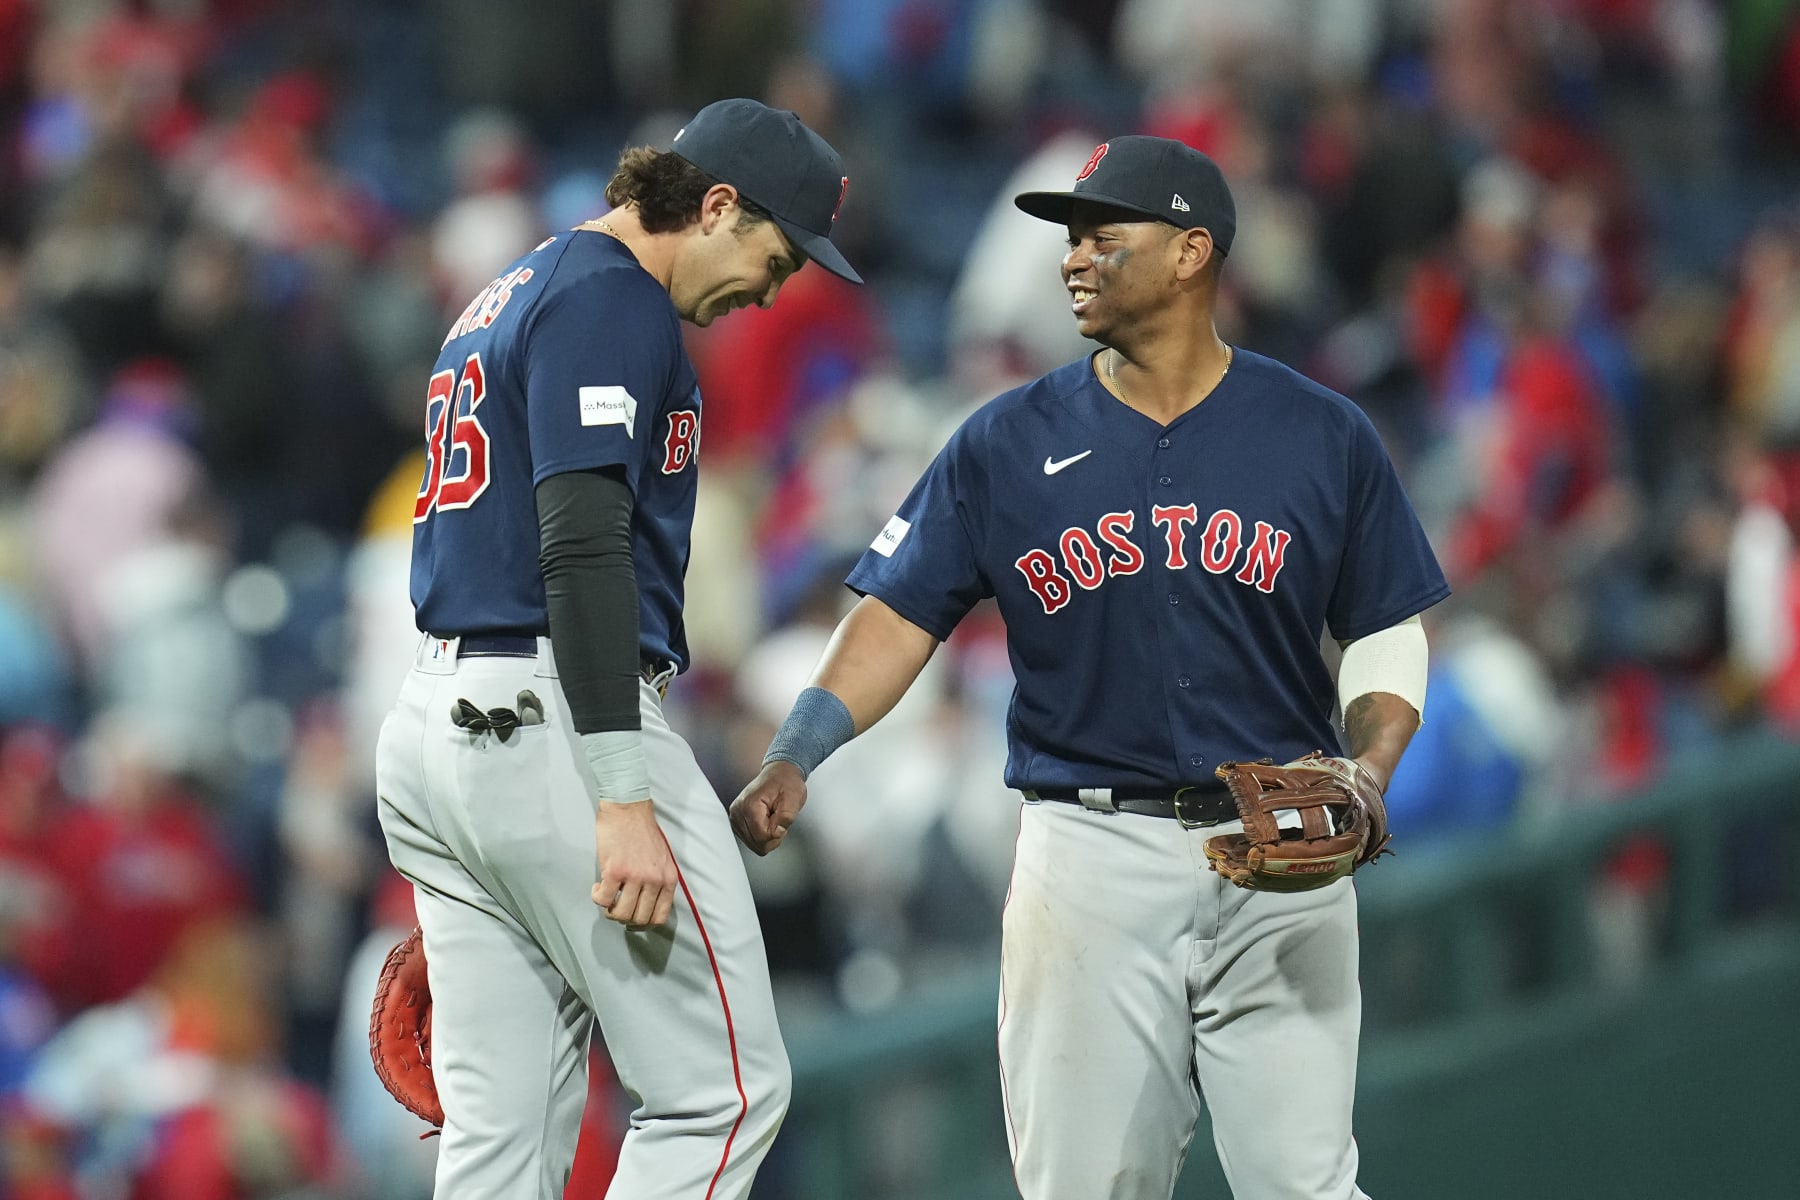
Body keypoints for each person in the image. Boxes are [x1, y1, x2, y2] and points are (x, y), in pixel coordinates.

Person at [731, 136, 1448, 1200]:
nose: (1072, 259)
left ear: (1192, 253)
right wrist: (800, 750)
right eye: (1070, 239)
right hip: (1090, 852)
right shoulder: (1004, 440)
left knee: (1307, 1187)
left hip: (1282, 843)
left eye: (1105, 236)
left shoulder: (1320, 433)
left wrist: (1371, 768)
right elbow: (897, 614)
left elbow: (1386, 621)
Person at [375, 97, 861, 1199]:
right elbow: (582, 547)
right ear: (717, 206)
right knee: (721, 1096)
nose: (773, 292)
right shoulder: (611, 296)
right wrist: (620, 792)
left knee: (497, 1140)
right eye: (778, 258)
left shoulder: (515, 288)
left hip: (441, 728)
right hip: (556, 718)